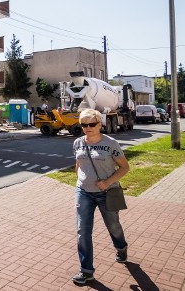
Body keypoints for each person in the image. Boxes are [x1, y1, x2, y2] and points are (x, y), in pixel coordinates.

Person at [72, 109, 130, 285]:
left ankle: (121, 247)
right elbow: (78, 164)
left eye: (91, 124)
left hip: (106, 192)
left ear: (100, 124)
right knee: (82, 231)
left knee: (113, 226)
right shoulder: (78, 142)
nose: (88, 128)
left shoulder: (110, 143)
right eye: (84, 125)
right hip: (83, 192)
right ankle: (86, 271)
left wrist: (107, 182)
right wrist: (80, 181)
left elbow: (124, 168)